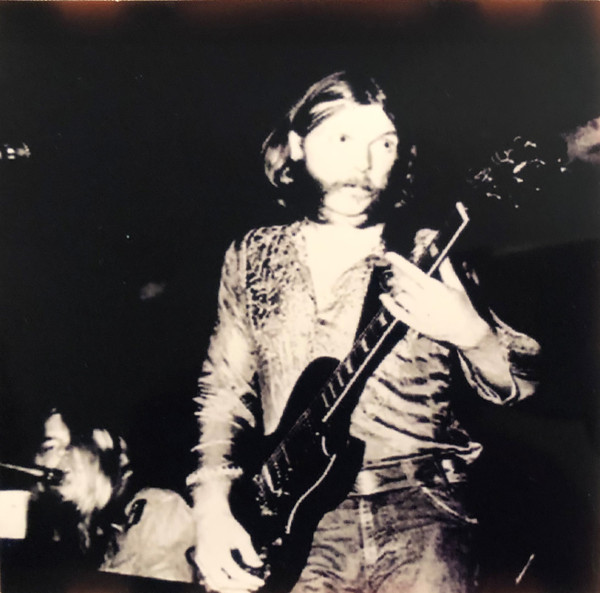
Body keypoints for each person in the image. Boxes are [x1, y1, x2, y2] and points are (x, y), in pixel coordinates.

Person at [187, 71, 541, 593]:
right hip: (290, 522)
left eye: (385, 143)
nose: (364, 163)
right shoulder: (251, 255)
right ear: (297, 146)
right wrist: (212, 510)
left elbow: (523, 382)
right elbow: (223, 393)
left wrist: (472, 336)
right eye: (344, 138)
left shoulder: (428, 249)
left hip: (422, 506)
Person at [30, 409, 197, 583]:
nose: (60, 459)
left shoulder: (159, 509)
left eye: (76, 443)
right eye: (49, 448)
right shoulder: (79, 528)